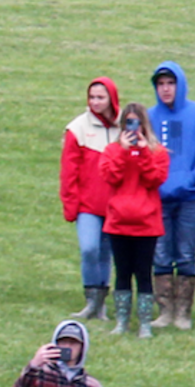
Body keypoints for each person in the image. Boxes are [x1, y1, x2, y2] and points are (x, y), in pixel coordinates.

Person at [147, 61, 195, 331]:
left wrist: (192, 179)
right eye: (161, 84)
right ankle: (165, 310)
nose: (166, 89)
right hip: (158, 198)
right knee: (161, 253)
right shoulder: (150, 117)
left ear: (180, 84)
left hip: (190, 198)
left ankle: (183, 312)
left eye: (170, 83)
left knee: (186, 253)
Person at [99, 104, 169, 338]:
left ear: (144, 125)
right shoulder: (111, 150)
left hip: (146, 224)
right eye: (127, 123)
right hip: (118, 222)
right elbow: (110, 176)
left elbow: (155, 179)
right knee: (122, 272)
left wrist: (142, 154)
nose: (132, 128)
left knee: (143, 273)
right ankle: (122, 321)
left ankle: (145, 323)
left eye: (136, 122)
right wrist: (123, 151)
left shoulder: (158, 152)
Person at [59, 78, 122, 324]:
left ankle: (100, 303)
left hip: (114, 205)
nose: (95, 102)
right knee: (89, 248)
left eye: (100, 98)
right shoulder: (77, 128)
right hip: (88, 205)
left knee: (106, 253)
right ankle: (90, 298)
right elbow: (69, 170)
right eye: (92, 97)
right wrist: (70, 204)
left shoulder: (122, 128)